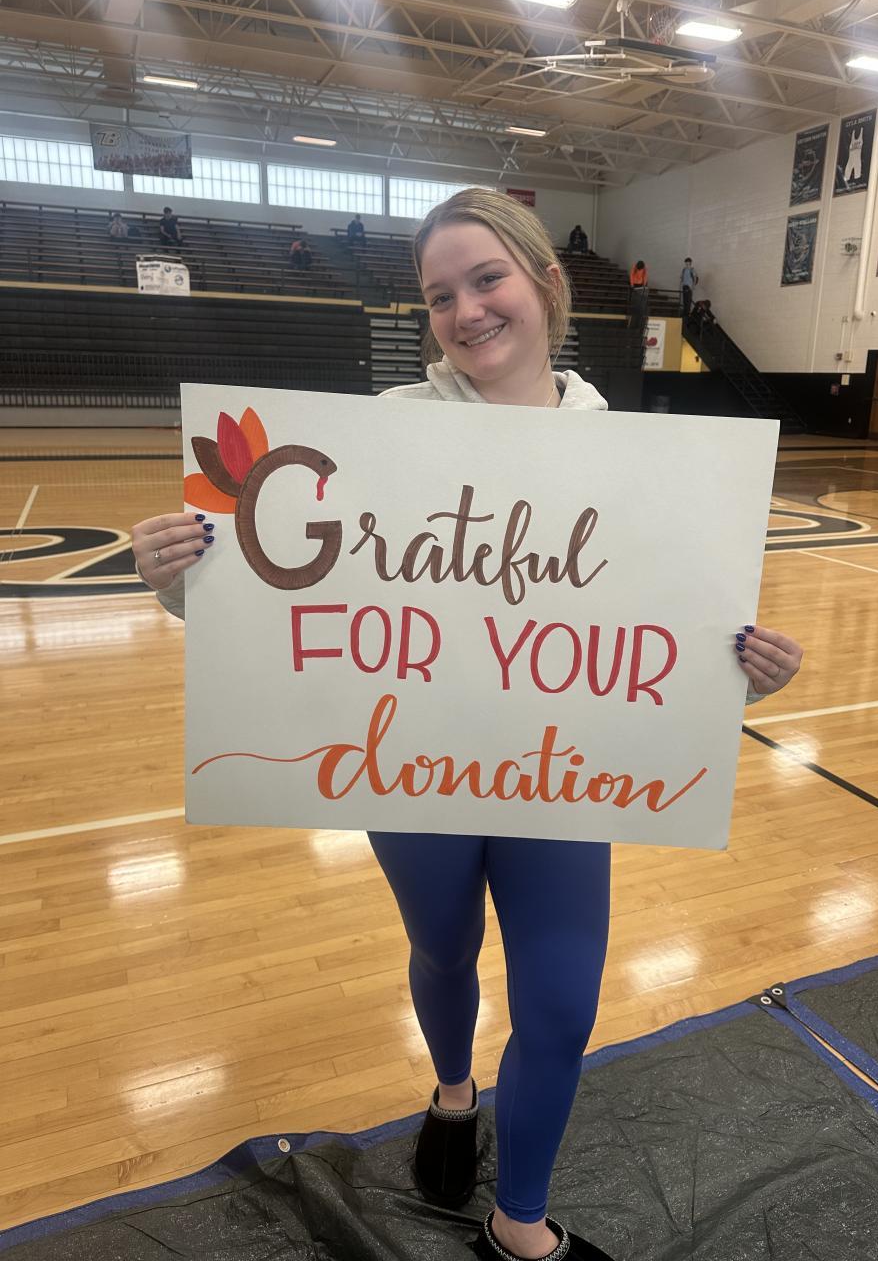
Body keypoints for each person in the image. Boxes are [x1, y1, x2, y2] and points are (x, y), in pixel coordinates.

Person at [131, 188, 804, 1261]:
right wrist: (178, 577)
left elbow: (671, 633)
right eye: (440, 294)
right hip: (416, 765)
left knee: (562, 1007)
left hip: (561, 772)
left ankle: (518, 1222)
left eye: (487, 279)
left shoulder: (632, 451)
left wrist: (744, 674)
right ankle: (453, 1095)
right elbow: (284, 595)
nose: (466, 309)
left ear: (546, 282)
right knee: (442, 948)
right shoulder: (385, 430)